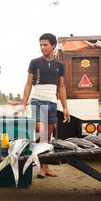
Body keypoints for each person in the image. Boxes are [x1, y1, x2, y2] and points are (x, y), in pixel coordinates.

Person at [14, 33, 70, 178]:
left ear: (53, 46)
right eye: (40, 45)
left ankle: (44, 166)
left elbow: (62, 87)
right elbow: (28, 84)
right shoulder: (35, 62)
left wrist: (65, 107)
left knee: (47, 136)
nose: (42, 47)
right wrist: (23, 104)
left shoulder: (60, 65)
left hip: (52, 102)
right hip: (37, 101)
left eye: (45, 45)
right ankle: (41, 167)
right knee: (41, 132)